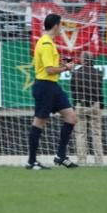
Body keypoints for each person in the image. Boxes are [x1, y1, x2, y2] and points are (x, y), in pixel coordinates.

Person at [27, 13, 79, 170]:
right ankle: (32, 161)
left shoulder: (46, 42)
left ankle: (61, 156)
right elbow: (49, 70)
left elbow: (48, 66)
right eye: (61, 25)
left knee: (71, 117)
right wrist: (66, 67)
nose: (61, 28)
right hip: (45, 86)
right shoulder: (46, 44)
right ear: (56, 25)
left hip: (53, 86)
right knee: (40, 122)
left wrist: (61, 63)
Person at [70, 53, 104, 166]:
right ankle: (99, 161)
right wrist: (101, 105)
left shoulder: (75, 73)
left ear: (82, 60)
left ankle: (82, 160)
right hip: (95, 105)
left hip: (80, 104)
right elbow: (100, 91)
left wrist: (75, 105)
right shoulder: (98, 73)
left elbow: (73, 92)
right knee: (96, 134)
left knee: (80, 134)